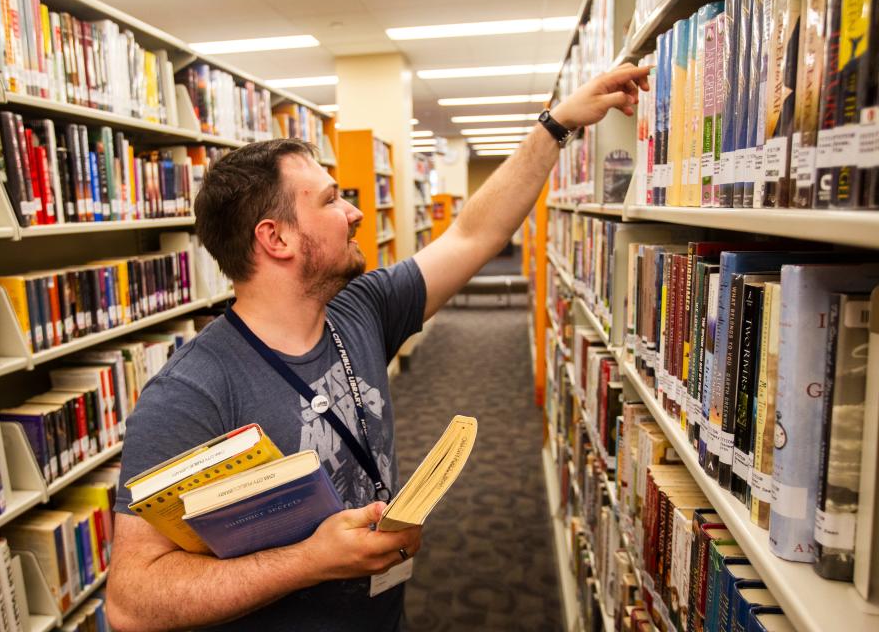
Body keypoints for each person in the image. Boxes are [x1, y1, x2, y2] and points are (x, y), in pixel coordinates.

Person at [106, 63, 652, 632]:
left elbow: (475, 234)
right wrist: (307, 562)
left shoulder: (359, 310)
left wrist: (556, 125)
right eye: (331, 200)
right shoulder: (191, 391)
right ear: (277, 237)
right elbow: (132, 598)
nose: (356, 212)